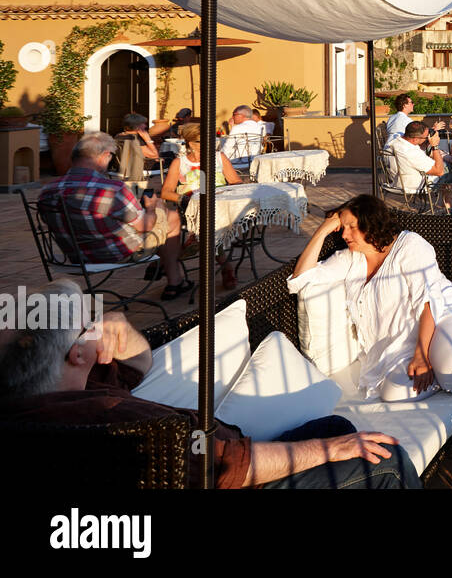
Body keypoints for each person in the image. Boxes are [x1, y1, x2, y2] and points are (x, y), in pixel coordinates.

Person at [0, 280, 420, 489]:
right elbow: (233, 465)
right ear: (76, 353)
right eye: (89, 324)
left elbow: (139, 364)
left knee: (337, 425)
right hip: (229, 472)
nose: (98, 326)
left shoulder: (58, 392)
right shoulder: (108, 417)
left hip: (219, 452)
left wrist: (122, 332)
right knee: (386, 462)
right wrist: (333, 451)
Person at [289, 195, 452, 404]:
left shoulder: (409, 246)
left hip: (443, 315)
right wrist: (325, 228)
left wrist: (422, 355)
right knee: (392, 392)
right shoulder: (350, 259)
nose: (344, 235)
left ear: (371, 223)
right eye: (343, 227)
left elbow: (429, 303)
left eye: (352, 227)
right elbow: (300, 280)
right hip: (401, 343)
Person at [38, 132, 188, 300]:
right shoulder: (112, 189)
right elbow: (144, 225)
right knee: (171, 216)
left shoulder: (47, 190)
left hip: (72, 256)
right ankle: (174, 280)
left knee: (156, 211)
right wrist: (151, 209)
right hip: (116, 254)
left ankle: (163, 264)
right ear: (104, 156)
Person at [161, 122, 243, 289]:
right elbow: (166, 192)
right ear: (191, 143)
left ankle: (182, 251)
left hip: (221, 207)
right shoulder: (180, 163)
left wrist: (226, 193)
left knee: (208, 227)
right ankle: (226, 266)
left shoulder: (219, 158)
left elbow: (236, 182)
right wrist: (186, 200)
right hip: (192, 209)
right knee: (207, 227)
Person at [389, 122, 452, 211]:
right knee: (451, 169)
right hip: (415, 184)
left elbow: (421, 145)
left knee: (445, 162)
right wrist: (435, 146)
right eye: (425, 137)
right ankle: (448, 208)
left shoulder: (397, 139)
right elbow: (439, 171)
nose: (427, 138)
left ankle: (446, 204)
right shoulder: (411, 153)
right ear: (415, 139)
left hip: (398, 179)